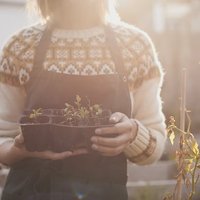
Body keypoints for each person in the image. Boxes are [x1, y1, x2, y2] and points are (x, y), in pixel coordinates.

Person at [0, 0, 166, 199]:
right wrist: (21, 151)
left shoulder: (134, 46)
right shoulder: (20, 47)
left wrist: (133, 135)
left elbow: (155, 145)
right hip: (31, 191)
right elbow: (3, 138)